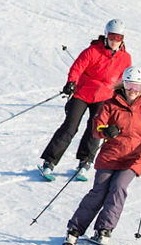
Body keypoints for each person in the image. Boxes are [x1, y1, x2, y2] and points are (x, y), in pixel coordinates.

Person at [63, 66, 141, 245]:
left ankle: (104, 230)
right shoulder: (110, 105)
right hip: (110, 156)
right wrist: (106, 130)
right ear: (122, 85)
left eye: (137, 86)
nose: (133, 91)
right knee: (99, 192)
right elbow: (97, 127)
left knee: (118, 188)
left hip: (132, 159)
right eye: (129, 85)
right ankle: (75, 229)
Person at [39, 19, 132, 182]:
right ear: (106, 35)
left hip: (104, 96)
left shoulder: (125, 58)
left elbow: (123, 79)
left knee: (96, 128)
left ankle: (85, 161)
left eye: (118, 37)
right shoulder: (93, 51)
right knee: (70, 127)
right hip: (82, 94)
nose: (114, 41)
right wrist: (71, 82)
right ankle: (50, 162)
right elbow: (77, 67)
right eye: (112, 36)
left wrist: (122, 95)